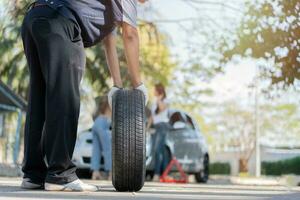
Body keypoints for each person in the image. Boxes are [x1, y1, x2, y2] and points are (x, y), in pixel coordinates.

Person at [21, 0, 148, 191]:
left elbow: (109, 40)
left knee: (39, 99)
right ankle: (60, 175)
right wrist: (139, 84)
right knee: (65, 98)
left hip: (35, 17)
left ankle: (33, 174)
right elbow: (129, 35)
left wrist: (117, 85)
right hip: (61, 23)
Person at [147, 83, 170, 181]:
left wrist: (159, 99)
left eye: (155, 90)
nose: (153, 91)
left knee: (157, 150)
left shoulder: (165, 101)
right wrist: (147, 128)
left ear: (159, 91)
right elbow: (152, 117)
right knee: (160, 151)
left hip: (163, 126)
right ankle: (163, 174)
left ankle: (157, 174)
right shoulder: (154, 102)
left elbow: (161, 109)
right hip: (156, 127)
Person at [91, 96, 112, 180]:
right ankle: (111, 173)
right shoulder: (111, 103)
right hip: (104, 122)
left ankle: (95, 173)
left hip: (96, 123)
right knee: (108, 149)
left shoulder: (101, 105)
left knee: (96, 150)